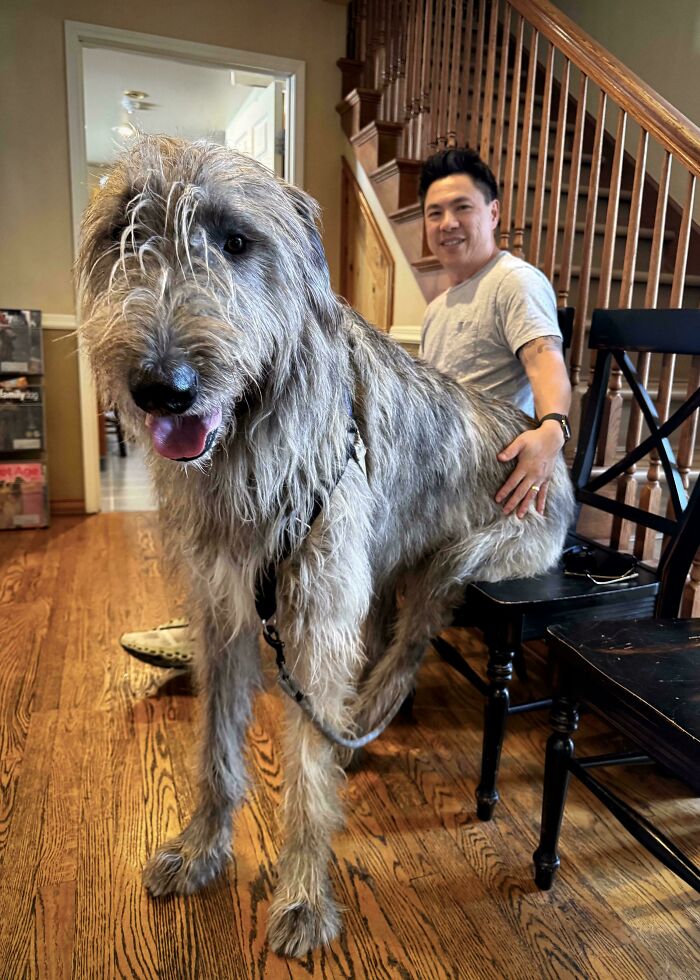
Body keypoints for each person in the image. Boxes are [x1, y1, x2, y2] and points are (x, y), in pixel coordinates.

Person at [120, 147, 571, 670]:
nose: (447, 224)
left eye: (463, 208)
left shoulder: (514, 282)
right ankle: (231, 611)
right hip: (426, 452)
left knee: (332, 517)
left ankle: (258, 623)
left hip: (479, 472)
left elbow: (546, 360)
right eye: (433, 212)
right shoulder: (444, 302)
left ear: (493, 213)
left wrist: (552, 431)